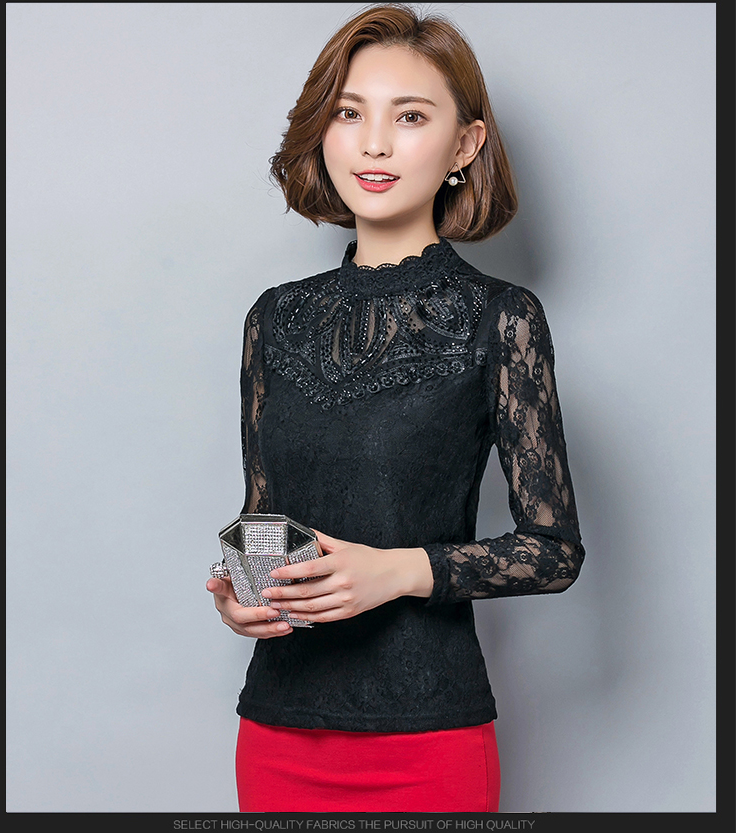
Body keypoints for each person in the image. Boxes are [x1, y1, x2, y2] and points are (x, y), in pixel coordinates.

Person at [206, 2, 584, 813]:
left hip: (430, 738)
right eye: (350, 113)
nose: (374, 143)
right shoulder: (273, 316)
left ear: (465, 145)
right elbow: (264, 516)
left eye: (409, 116)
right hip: (277, 729)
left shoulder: (500, 319)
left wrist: (400, 570)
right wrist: (245, 591)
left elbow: (554, 551)